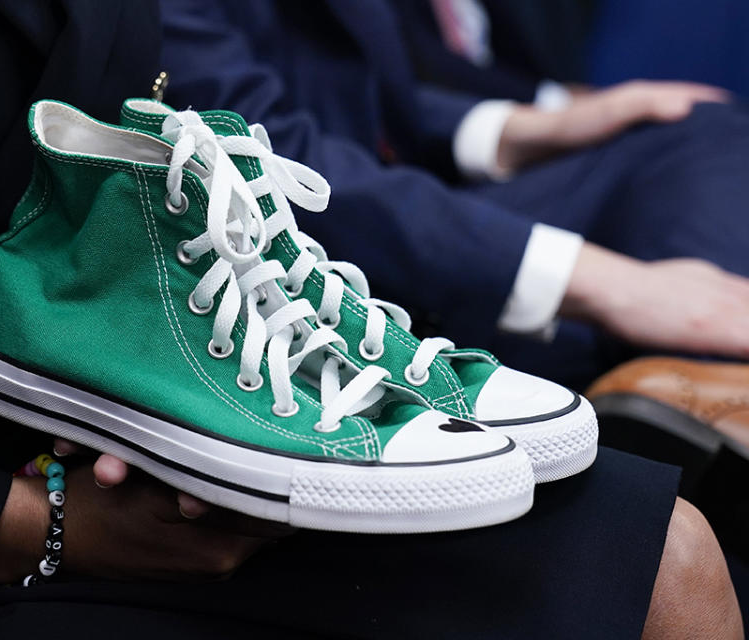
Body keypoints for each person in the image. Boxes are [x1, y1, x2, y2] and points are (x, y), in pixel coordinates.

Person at [0, 1, 742, 638]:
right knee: (653, 570)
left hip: (86, 412)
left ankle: (665, 393)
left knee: (675, 549)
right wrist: (33, 523)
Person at [157, 0, 749, 390]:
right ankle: (703, 394)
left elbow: (352, 91)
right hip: (304, 279)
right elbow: (263, 160)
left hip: (386, 184)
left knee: (691, 128)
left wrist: (520, 129)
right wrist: (614, 286)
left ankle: (698, 393)